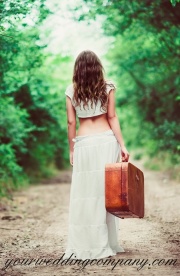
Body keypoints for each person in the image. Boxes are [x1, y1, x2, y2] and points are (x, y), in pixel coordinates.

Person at [63, 50, 130, 261]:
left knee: (85, 193)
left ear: (78, 69)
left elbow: (71, 123)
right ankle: (107, 242)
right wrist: (122, 145)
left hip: (84, 144)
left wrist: (71, 148)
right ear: (97, 66)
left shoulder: (71, 90)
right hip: (106, 141)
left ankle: (86, 242)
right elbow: (112, 116)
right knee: (105, 192)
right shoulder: (107, 87)